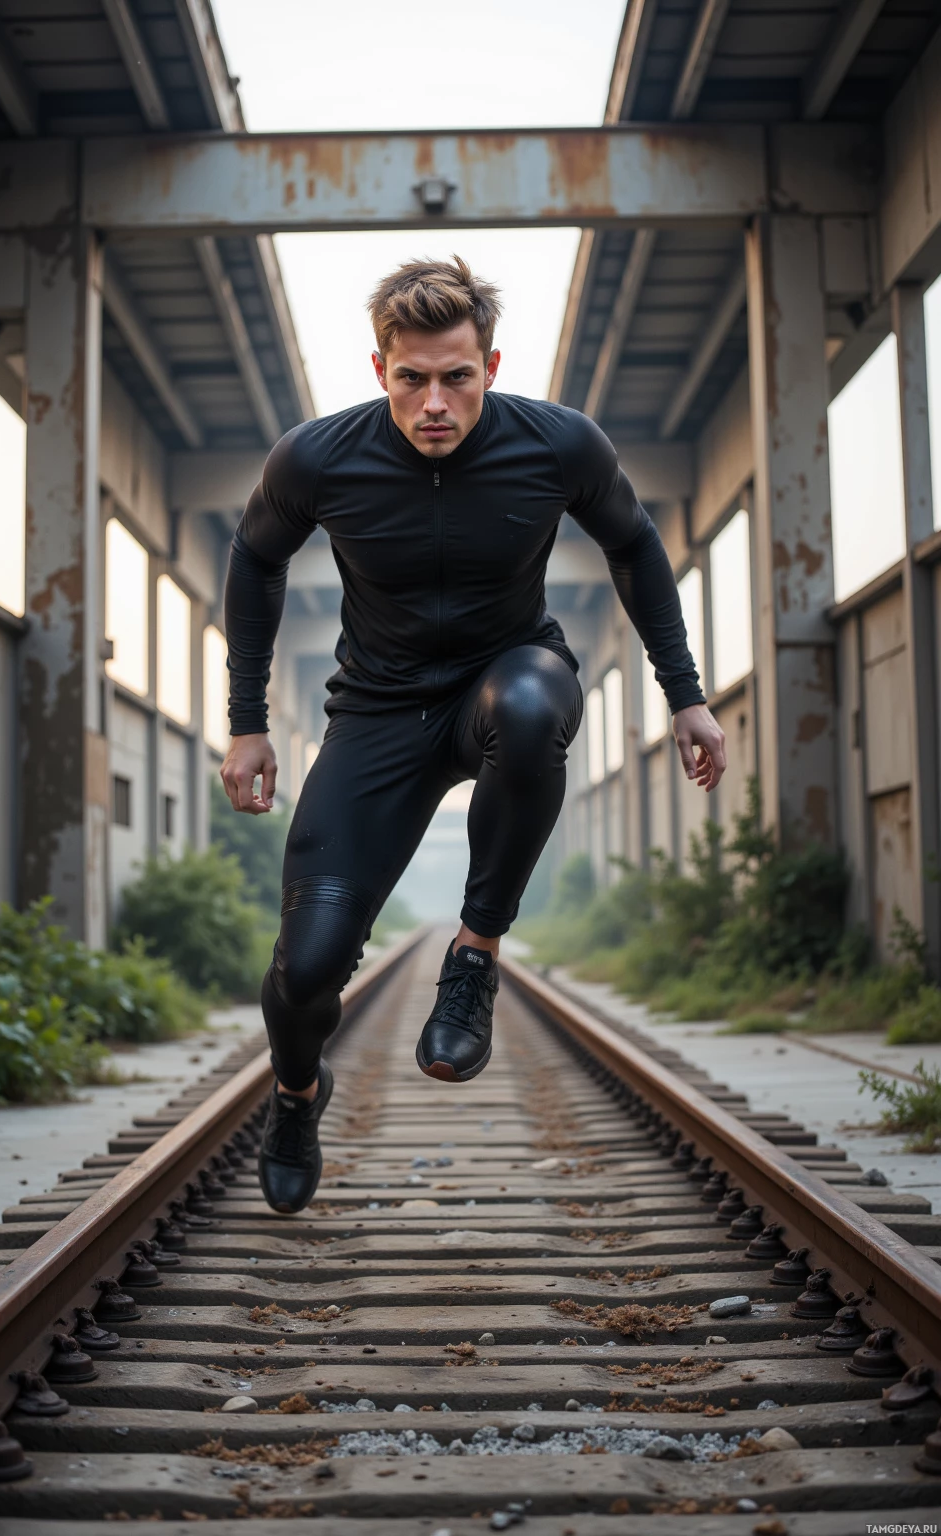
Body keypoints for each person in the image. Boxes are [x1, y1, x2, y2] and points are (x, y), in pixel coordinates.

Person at [221, 256, 726, 1214]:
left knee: (534, 711)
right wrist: (249, 721)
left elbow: (635, 544)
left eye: (457, 376)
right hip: (377, 712)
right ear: (380, 372)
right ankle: (296, 1094)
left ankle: (475, 958)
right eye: (412, 379)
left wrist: (685, 693)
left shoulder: (558, 446)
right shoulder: (318, 459)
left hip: (506, 679)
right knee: (308, 967)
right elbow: (254, 558)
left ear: (491, 364)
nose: (435, 402)